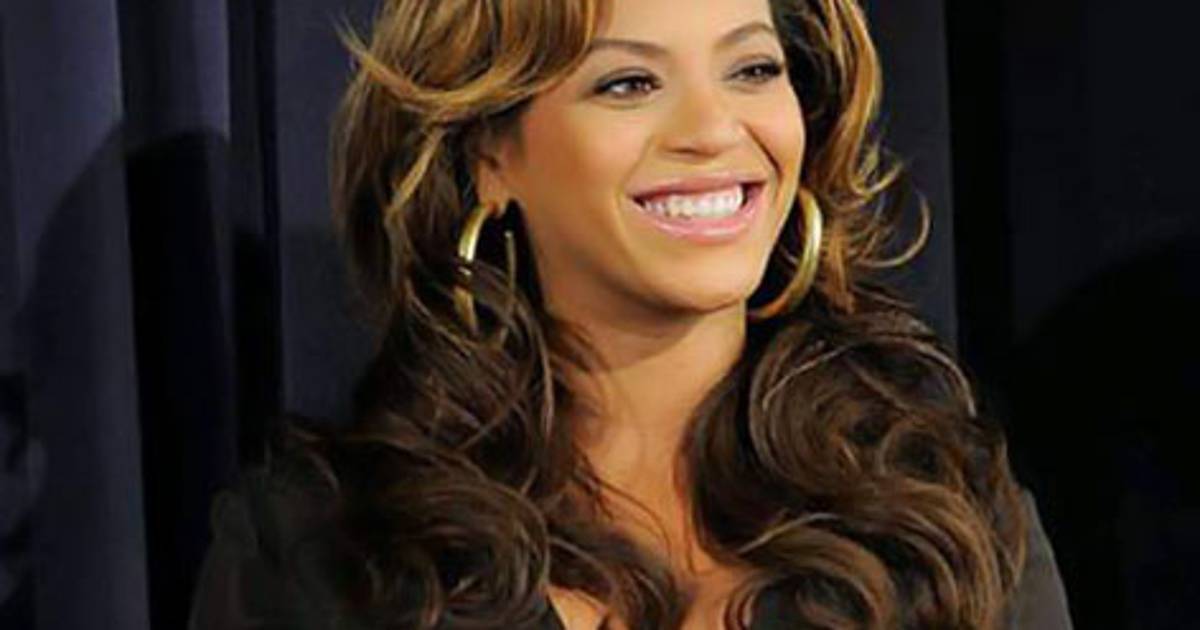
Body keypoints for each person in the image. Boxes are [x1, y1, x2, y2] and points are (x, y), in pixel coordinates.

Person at [189, 0, 1073, 628]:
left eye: (753, 69)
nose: (713, 129)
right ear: (489, 154)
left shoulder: (949, 524)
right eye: (628, 83)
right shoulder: (319, 550)